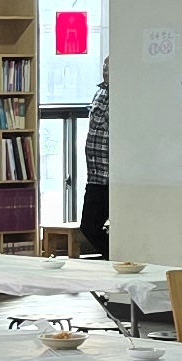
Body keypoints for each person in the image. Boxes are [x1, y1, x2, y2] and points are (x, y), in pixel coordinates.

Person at [75, 74, 111, 256]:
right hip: (96, 174)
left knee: (92, 225)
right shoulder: (100, 92)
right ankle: (113, 255)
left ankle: (116, 256)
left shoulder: (126, 94)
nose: (106, 71)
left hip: (111, 176)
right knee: (88, 226)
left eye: (109, 67)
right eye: (104, 67)